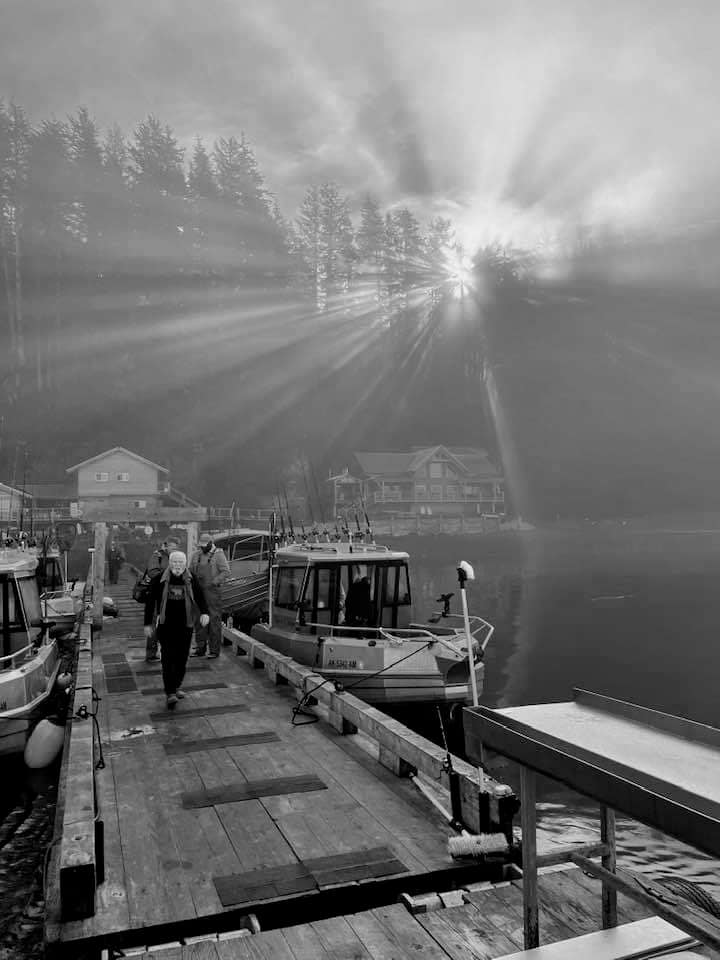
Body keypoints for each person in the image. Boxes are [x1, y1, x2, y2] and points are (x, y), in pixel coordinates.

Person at [143, 550, 209, 709]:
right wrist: (147, 624)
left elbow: (200, 596)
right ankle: (170, 692)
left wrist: (205, 613)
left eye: (180, 562)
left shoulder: (191, 579)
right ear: (169, 563)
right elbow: (150, 602)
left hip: (185, 625)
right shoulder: (159, 579)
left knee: (182, 658)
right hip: (166, 625)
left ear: (185, 564)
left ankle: (176, 685)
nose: (177, 565)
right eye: (174, 562)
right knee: (167, 658)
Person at [189, 532, 230, 658]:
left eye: (204, 545)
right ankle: (200, 648)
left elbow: (226, 572)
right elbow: (190, 571)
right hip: (198, 592)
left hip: (212, 593)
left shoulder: (219, 555)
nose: (202, 547)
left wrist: (214, 582)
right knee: (198, 620)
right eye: (200, 545)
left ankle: (214, 650)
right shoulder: (196, 555)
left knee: (214, 621)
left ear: (211, 544)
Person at [144, 536, 181, 662]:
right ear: (166, 546)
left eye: (176, 548)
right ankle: (151, 653)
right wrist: (167, 575)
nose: (174, 550)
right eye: (172, 547)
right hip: (157, 595)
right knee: (154, 623)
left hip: (172, 594)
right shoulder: (157, 556)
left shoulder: (176, 558)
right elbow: (152, 573)